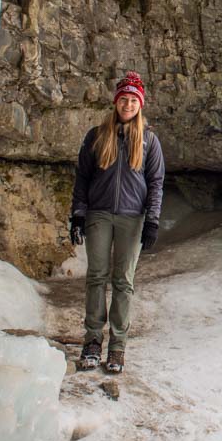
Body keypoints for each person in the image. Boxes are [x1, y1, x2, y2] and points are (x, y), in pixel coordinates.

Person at [69, 71, 164, 373]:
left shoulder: (149, 141)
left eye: (133, 100)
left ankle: (118, 346)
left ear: (140, 104)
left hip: (131, 218)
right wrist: (78, 214)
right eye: (123, 99)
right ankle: (92, 341)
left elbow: (156, 182)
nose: (127, 104)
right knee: (97, 276)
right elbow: (82, 178)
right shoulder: (96, 136)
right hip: (99, 214)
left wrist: (152, 221)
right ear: (115, 102)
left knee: (123, 281)